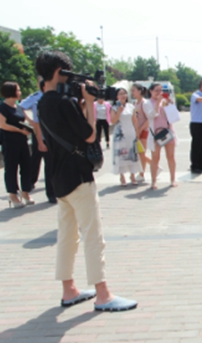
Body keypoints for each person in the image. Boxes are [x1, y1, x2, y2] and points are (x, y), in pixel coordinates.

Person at [36, 50, 137, 312]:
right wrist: (90, 104)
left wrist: (82, 103)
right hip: (79, 176)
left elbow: (68, 129)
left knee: (67, 236)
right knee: (93, 235)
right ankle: (103, 294)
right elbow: (90, 135)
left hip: (59, 178)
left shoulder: (43, 102)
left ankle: (68, 288)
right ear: (59, 72)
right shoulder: (64, 103)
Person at [0, 81, 34, 208]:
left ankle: (25, 192)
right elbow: (3, 125)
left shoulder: (18, 107)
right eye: (18, 90)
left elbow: (27, 120)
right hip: (9, 141)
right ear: (11, 92)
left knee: (27, 166)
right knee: (11, 168)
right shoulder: (2, 108)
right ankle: (13, 194)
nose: (20, 92)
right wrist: (19, 130)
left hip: (22, 141)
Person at [20, 79, 56, 203]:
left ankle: (52, 192)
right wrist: (30, 121)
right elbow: (21, 107)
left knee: (51, 165)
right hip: (39, 133)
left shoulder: (56, 96)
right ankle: (31, 182)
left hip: (53, 136)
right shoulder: (35, 97)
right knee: (36, 159)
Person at [143, 83, 177, 189]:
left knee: (171, 156)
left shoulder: (165, 101)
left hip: (168, 131)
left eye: (160, 90)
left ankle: (173, 179)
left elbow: (173, 116)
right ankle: (153, 181)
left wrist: (170, 104)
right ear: (151, 91)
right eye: (156, 90)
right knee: (155, 158)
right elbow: (152, 115)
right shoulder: (147, 103)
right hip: (156, 134)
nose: (159, 93)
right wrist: (158, 102)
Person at [110, 88, 142, 186]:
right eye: (120, 94)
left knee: (132, 154)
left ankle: (133, 175)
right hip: (120, 134)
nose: (123, 95)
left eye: (124, 93)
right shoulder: (114, 107)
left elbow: (134, 120)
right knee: (121, 154)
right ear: (116, 96)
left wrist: (137, 131)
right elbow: (113, 121)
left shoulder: (131, 106)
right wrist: (119, 112)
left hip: (130, 132)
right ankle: (122, 176)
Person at [132, 83, 150, 182]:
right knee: (139, 153)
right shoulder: (135, 103)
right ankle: (154, 165)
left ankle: (142, 174)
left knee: (142, 153)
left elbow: (149, 119)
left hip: (144, 131)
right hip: (137, 131)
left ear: (139, 91)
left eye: (133, 90)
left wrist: (140, 129)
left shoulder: (144, 103)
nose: (132, 93)